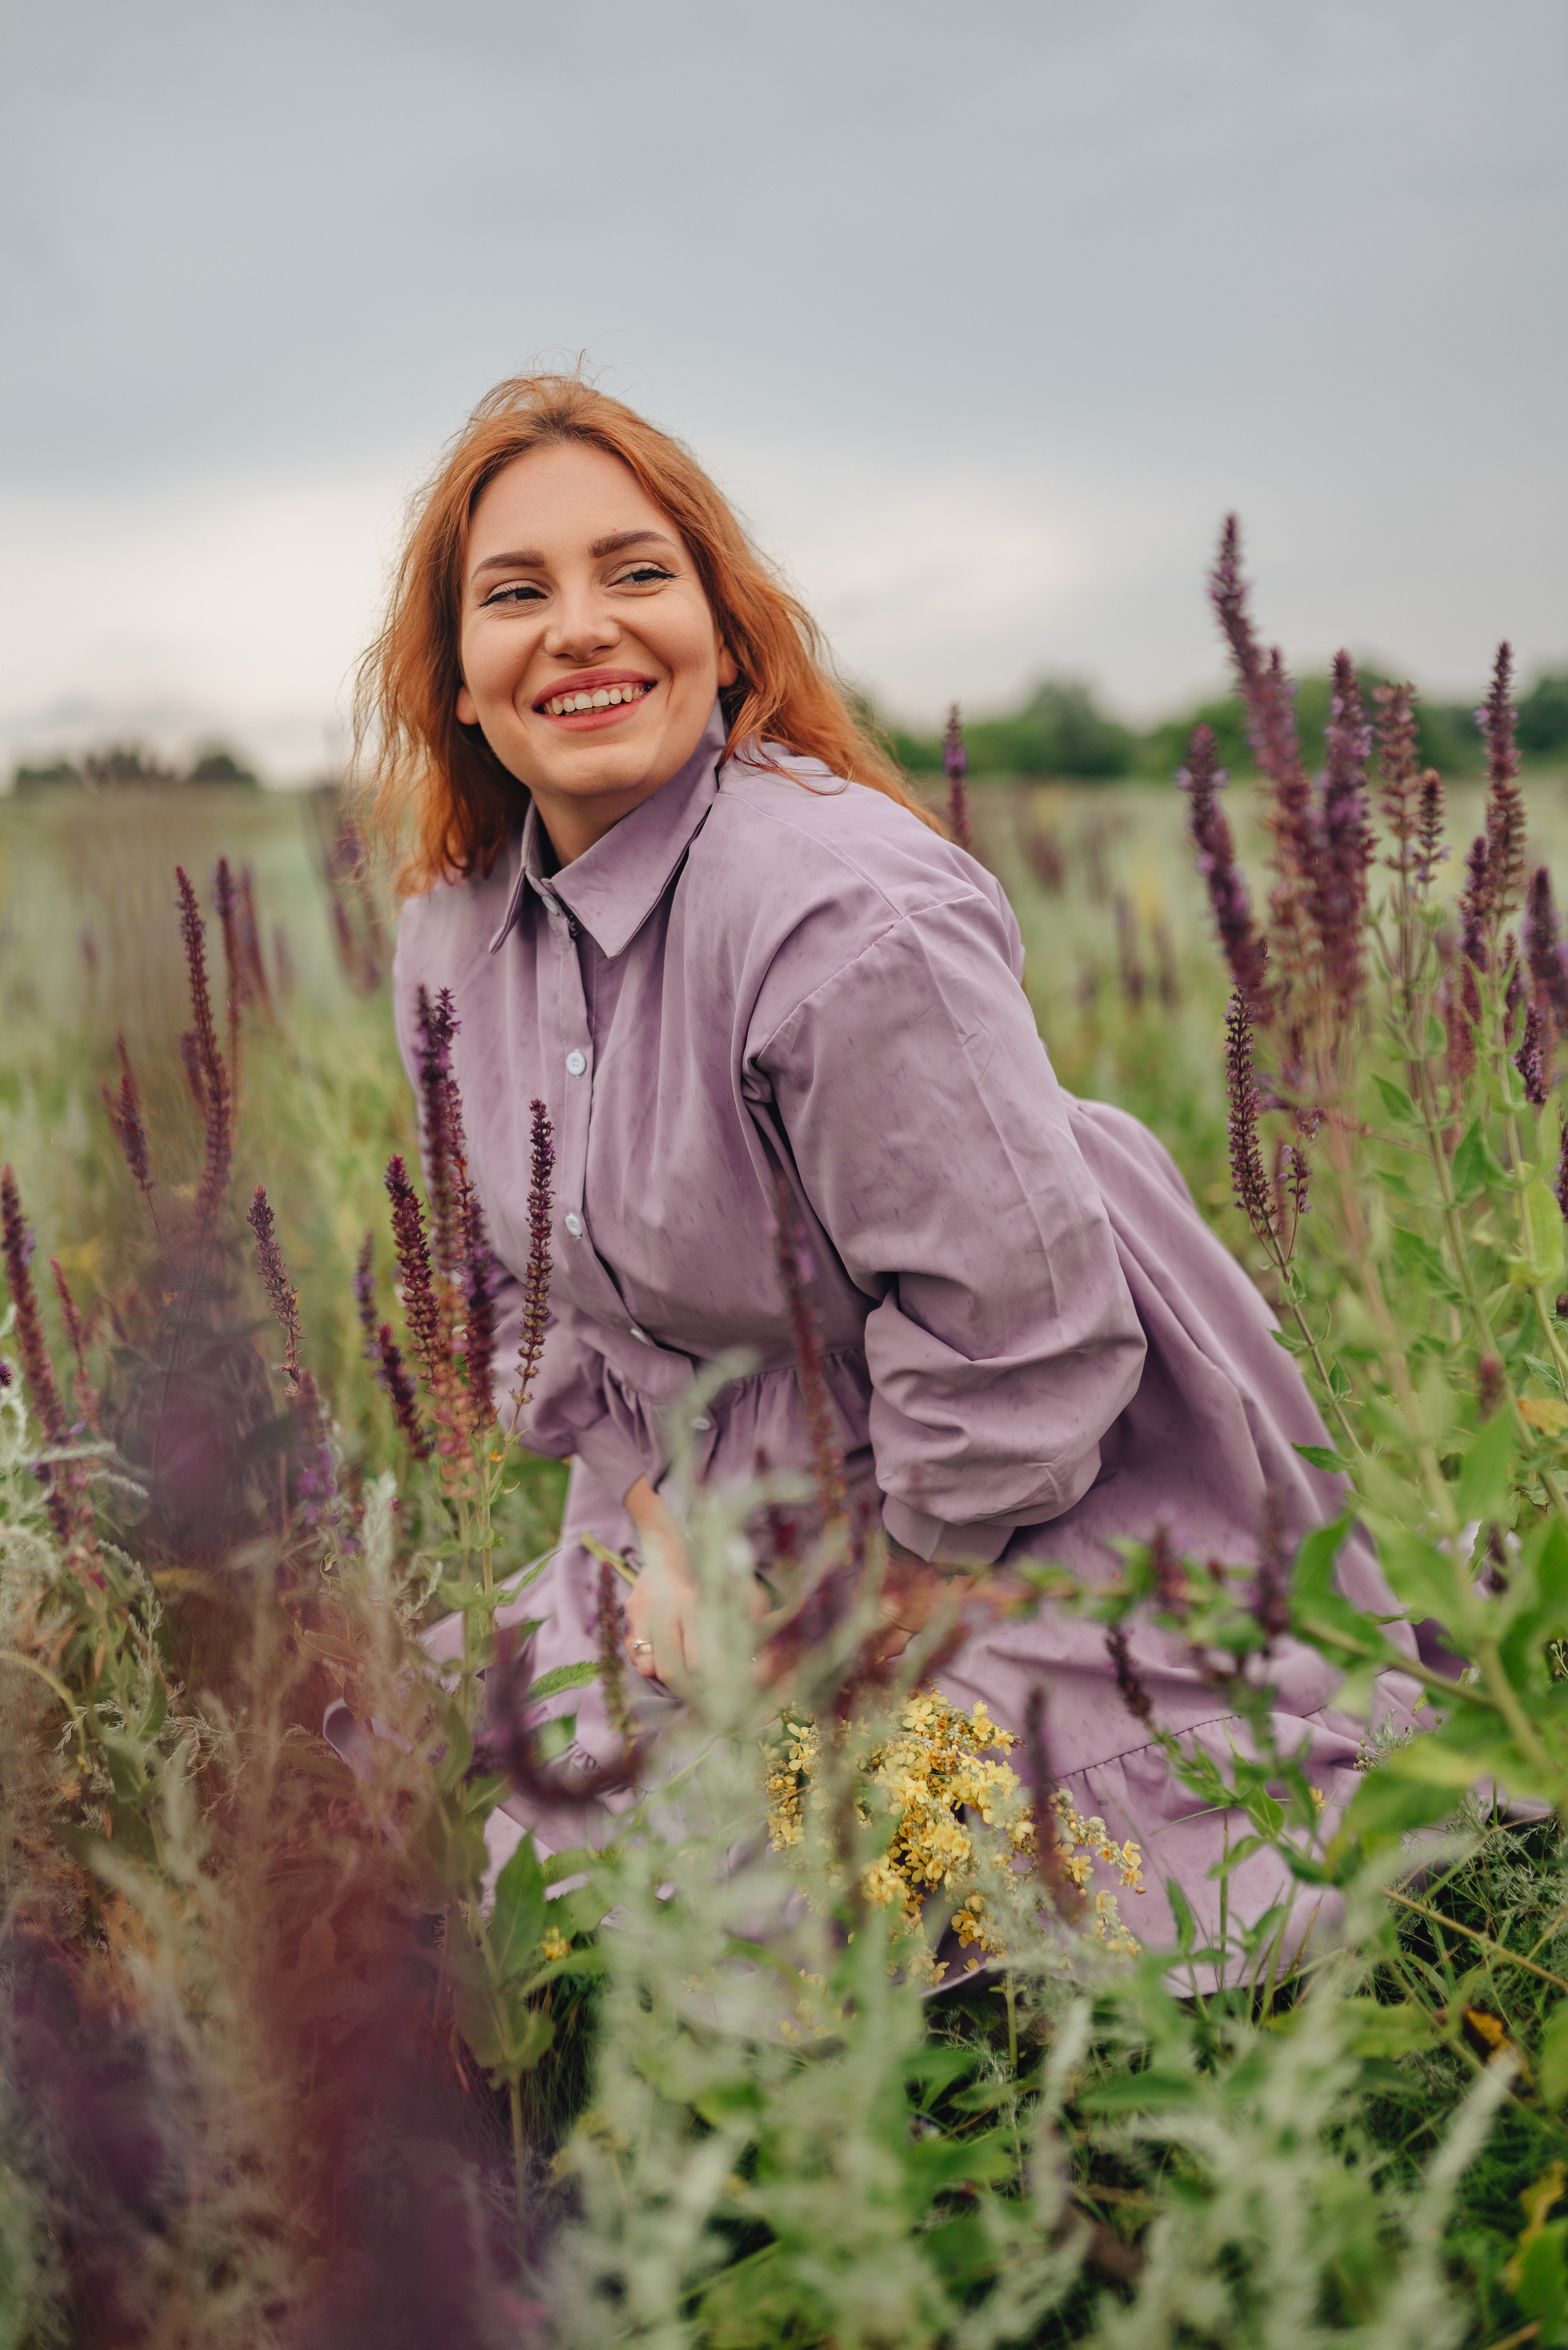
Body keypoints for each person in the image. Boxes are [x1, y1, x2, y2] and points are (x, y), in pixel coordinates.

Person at [361, 373, 1418, 1954]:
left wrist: (835, 1621)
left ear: (725, 635)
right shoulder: (453, 944)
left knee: (844, 1887)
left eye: (637, 574)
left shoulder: (847, 914)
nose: (580, 627)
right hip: (695, 1529)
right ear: (454, 677)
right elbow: (562, 1321)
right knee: (417, 1803)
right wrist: (662, 1543)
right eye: (516, 594)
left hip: (999, 1528)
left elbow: (1029, 1343)